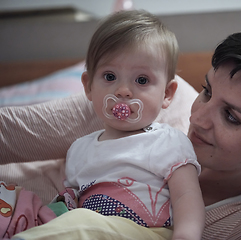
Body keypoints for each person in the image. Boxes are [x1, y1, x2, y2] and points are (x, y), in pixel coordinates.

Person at [3, 19, 241, 239]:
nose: (198, 117)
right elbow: (8, 133)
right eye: (207, 91)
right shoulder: (138, 102)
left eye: (231, 117)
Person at [5, 10, 205, 240]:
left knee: (82, 223)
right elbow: (72, 200)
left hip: (148, 232)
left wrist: (186, 236)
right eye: (110, 77)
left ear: (167, 94)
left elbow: (187, 195)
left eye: (142, 80)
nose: (123, 91)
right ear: (89, 86)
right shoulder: (79, 149)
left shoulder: (168, 140)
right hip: (86, 229)